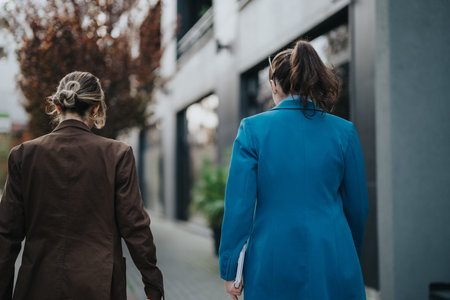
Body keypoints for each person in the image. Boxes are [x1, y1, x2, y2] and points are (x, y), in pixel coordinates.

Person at [219, 41, 369, 300]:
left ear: (275, 85)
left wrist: (231, 269)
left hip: (271, 258)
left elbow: (238, 206)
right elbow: (358, 208)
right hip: (332, 253)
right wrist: (346, 252)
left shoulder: (252, 130)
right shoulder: (344, 132)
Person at [0, 71, 164, 300]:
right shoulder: (117, 155)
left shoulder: (23, 155)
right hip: (100, 285)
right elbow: (135, 226)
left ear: (58, 107)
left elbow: (6, 234)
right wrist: (153, 285)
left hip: (37, 285)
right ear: (95, 108)